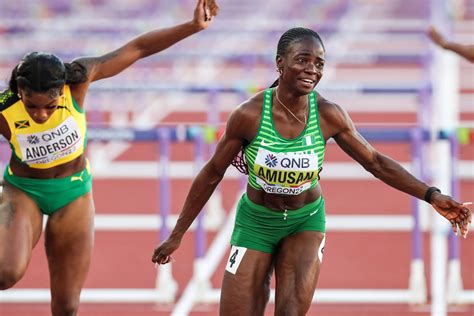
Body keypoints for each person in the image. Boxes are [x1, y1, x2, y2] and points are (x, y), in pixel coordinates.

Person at [152, 27, 472, 314]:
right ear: (280, 62)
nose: (312, 69)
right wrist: (177, 235)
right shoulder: (248, 115)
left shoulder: (328, 115)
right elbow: (211, 173)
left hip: (304, 221)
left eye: (319, 63)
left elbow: (375, 162)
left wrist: (432, 195)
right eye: (302, 60)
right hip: (256, 221)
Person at [0, 1, 219, 315]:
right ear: (19, 91)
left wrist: (192, 26)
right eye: (32, 106)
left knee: (67, 306)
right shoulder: (5, 108)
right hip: (23, 191)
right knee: (6, 273)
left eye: (49, 105)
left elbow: (138, 48)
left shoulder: (78, 81)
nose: (40, 114)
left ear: (61, 89)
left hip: (73, 193)